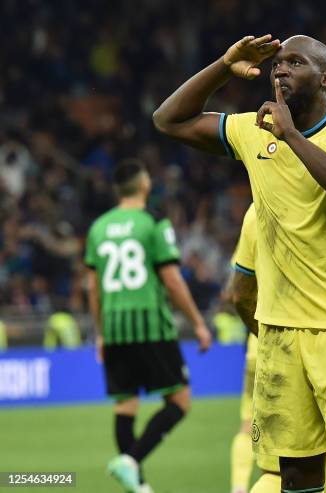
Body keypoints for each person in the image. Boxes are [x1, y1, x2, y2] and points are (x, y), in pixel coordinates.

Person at [154, 34, 326, 493]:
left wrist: (290, 134)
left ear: (325, 79)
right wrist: (225, 64)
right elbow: (168, 120)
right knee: (296, 477)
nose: (280, 69)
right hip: (280, 335)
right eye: (278, 63)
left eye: (295, 63)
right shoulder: (252, 130)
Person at [85, 159, 212, 493]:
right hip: (151, 327)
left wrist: (100, 332)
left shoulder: (98, 228)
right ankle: (132, 462)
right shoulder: (153, 221)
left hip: (114, 329)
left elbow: (93, 287)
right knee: (180, 400)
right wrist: (198, 323)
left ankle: (138, 486)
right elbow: (171, 279)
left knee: (125, 405)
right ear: (145, 185)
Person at [228, 204, 326, 493]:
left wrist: (267, 338)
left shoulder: (256, 211)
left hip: (269, 344)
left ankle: (239, 488)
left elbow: (239, 292)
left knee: (276, 465)